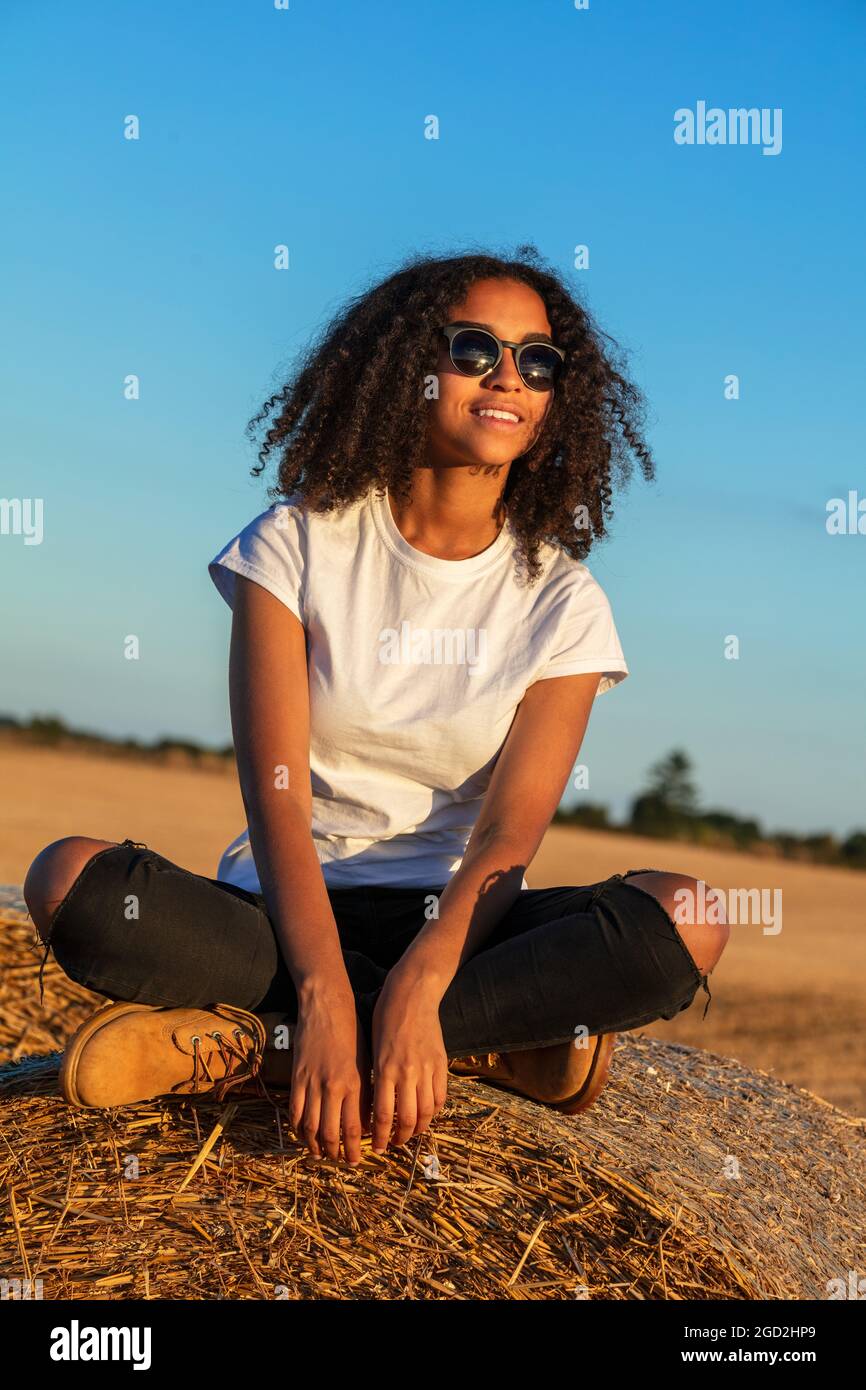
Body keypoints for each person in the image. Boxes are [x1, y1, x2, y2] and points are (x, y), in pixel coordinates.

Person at [24, 248, 729, 1167]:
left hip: (464, 929)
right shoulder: (298, 541)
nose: (507, 376)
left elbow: (507, 841)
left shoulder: (564, 602)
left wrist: (422, 987)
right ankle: (487, 1045)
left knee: (690, 917)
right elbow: (276, 796)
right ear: (413, 368)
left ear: (558, 397)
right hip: (278, 924)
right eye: (474, 349)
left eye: (537, 360)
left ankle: (250, 1047)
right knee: (67, 880)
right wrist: (319, 987)